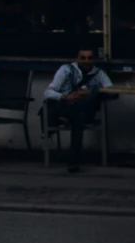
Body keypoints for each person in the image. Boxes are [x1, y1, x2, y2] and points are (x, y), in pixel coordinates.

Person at [43, 45, 114, 173]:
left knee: (96, 91)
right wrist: (66, 97)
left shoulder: (98, 73)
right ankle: (73, 162)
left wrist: (87, 93)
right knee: (79, 117)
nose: (86, 61)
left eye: (89, 58)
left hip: (81, 110)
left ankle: (67, 114)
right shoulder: (66, 70)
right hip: (66, 105)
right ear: (77, 59)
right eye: (83, 58)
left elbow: (111, 91)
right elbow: (47, 93)